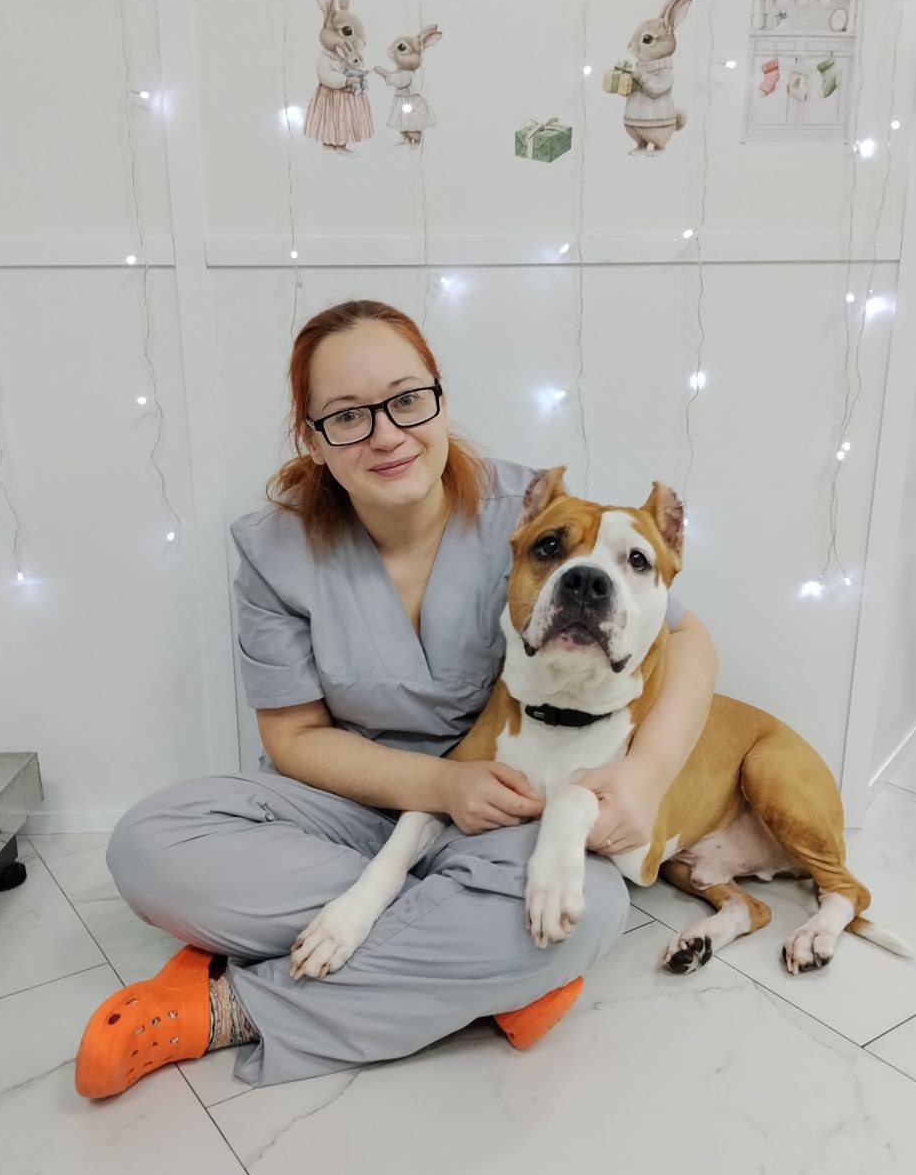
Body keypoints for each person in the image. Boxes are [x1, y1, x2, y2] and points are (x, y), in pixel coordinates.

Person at [74, 300, 718, 1098]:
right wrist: (440, 787)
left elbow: (687, 638)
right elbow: (293, 738)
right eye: (347, 416)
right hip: (351, 808)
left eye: (408, 399)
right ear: (311, 437)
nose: (386, 434)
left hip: (506, 824)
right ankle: (472, 968)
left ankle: (225, 1006)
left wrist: (648, 775)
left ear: (440, 398)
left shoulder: (529, 513)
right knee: (147, 845)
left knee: (592, 908)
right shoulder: (274, 549)